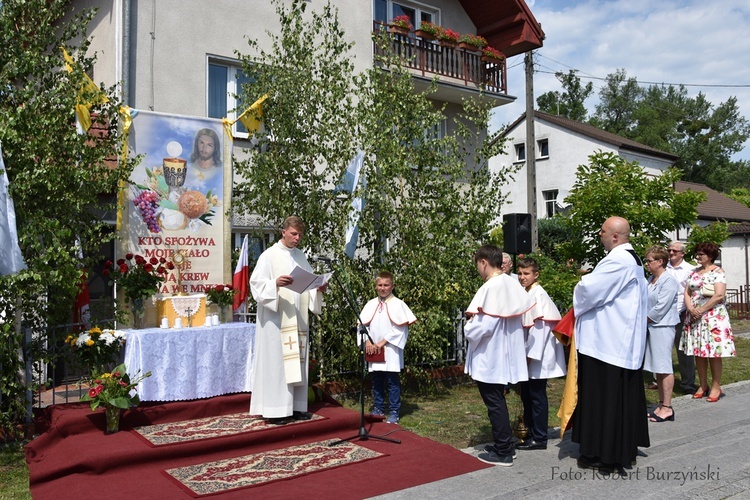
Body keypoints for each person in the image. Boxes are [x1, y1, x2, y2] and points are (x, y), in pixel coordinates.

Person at [571, 216, 649, 472]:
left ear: (615, 236)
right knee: (619, 398)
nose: (600, 234)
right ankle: (623, 447)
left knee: (603, 398)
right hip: (620, 340)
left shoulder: (617, 260)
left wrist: (578, 285)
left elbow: (588, 291)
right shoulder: (633, 258)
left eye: (603, 231)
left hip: (607, 343)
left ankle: (603, 453)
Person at [249, 216, 326, 424]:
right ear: (283, 232)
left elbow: (307, 284)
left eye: (300, 235)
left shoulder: (301, 256)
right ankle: (275, 410)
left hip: (297, 319)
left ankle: (296, 407)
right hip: (276, 321)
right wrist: (275, 283)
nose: (297, 238)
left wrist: (317, 289)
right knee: (278, 364)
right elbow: (255, 284)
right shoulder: (269, 256)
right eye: (293, 234)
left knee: (297, 363)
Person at [465, 244, 534, 466]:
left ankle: (503, 450)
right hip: (506, 351)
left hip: (491, 354)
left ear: (484, 262)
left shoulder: (491, 287)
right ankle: (504, 443)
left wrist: (468, 328)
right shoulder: (510, 283)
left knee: (494, 401)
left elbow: (484, 326)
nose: (478, 269)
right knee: (497, 399)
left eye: (478, 265)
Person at [517, 257, 566, 450]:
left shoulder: (538, 295)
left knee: (537, 395)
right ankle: (529, 431)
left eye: (526, 273)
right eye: (520, 273)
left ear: (535, 274)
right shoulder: (529, 292)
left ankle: (540, 436)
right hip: (532, 353)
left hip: (538, 354)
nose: (522, 277)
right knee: (528, 395)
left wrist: (529, 356)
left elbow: (540, 329)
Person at [680, 242, 736, 402]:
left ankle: (716, 386)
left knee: (714, 353)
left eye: (701, 254)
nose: (698, 257)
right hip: (695, 316)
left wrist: (701, 310)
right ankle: (703, 384)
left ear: (710, 256)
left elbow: (719, 295)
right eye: (697, 254)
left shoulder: (718, 272)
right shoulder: (693, 272)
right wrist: (691, 308)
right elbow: (687, 291)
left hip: (713, 317)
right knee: (699, 352)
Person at [359, 271, 417, 424]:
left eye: (386, 285)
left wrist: (381, 343)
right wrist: (368, 343)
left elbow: (400, 329)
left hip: (390, 349)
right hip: (373, 348)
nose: (383, 288)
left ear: (392, 286)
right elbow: (361, 326)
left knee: (392, 381)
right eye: (380, 285)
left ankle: (394, 411)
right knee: (376, 379)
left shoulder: (398, 304)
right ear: (376, 286)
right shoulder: (370, 304)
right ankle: (378, 408)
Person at [642, 246, 680, 422]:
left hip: (662, 326)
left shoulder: (668, 281)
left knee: (664, 366)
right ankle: (661, 403)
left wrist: (643, 320)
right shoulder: (651, 279)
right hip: (651, 327)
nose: (647, 264)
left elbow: (661, 307)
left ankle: (667, 407)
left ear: (660, 261)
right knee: (657, 368)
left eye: (650, 261)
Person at [665, 241, 697, 393]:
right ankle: (660, 380)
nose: (671, 253)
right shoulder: (663, 267)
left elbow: (691, 293)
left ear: (683, 253)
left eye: (675, 251)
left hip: (682, 312)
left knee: (683, 350)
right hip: (664, 313)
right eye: (669, 250)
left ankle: (688, 383)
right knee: (662, 349)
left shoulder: (690, 270)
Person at [186, 128, 222, 193]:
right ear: (196, 144)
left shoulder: (219, 170)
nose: (204, 148)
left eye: (209, 145)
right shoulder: (189, 166)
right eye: (201, 143)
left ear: (215, 148)